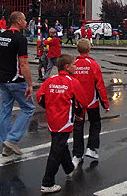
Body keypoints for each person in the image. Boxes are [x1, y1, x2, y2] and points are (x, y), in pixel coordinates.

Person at [36, 54, 90, 194]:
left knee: (61, 144)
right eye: (74, 64)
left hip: (52, 120)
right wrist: (79, 113)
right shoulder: (72, 82)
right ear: (67, 67)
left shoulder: (50, 80)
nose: (76, 67)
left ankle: (69, 169)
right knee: (56, 150)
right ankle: (47, 182)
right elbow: (83, 101)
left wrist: (48, 107)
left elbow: (40, 97)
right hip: (65, 121)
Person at [0, 11, 35, 157]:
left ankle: (5, 143)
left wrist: (5, 67)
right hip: (16, 80)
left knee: (5, 111)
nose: (26, 22)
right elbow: (23, 63)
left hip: (3, 79)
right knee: (28, 108)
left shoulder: (2, 36)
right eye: (24, 20)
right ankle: (12, 139)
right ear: (17, 21)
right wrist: (30, 84)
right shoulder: (20, 39)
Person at [72, 39, 109, 164]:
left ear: (77, 49)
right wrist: (105, 103)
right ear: (89, 49)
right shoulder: (93, 64)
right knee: (95, 123)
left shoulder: (73, 64)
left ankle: (77, 154)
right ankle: (91, 148)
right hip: (91, 101)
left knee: (78, 127)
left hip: (77, 102)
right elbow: (100, 85)